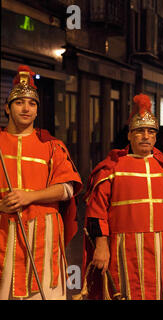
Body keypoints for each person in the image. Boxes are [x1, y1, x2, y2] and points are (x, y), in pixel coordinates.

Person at [81, 94, 163, 300]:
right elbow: (96, 211)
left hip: (159, 247)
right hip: (122, 247)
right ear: (129, 135)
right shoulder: (111, 169)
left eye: (150, 131)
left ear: (156, 137)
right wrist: (101, 245)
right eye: (139, 131)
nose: (145, 136)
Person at [0, 65, 82, 300]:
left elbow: (67, 189)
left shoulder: (51, 145)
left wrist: (30, 196)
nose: (26, 108)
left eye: (32, 104)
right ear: (7, 108)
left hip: (44, 238)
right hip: (4, 234)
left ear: (37, 111)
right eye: (19, 103)